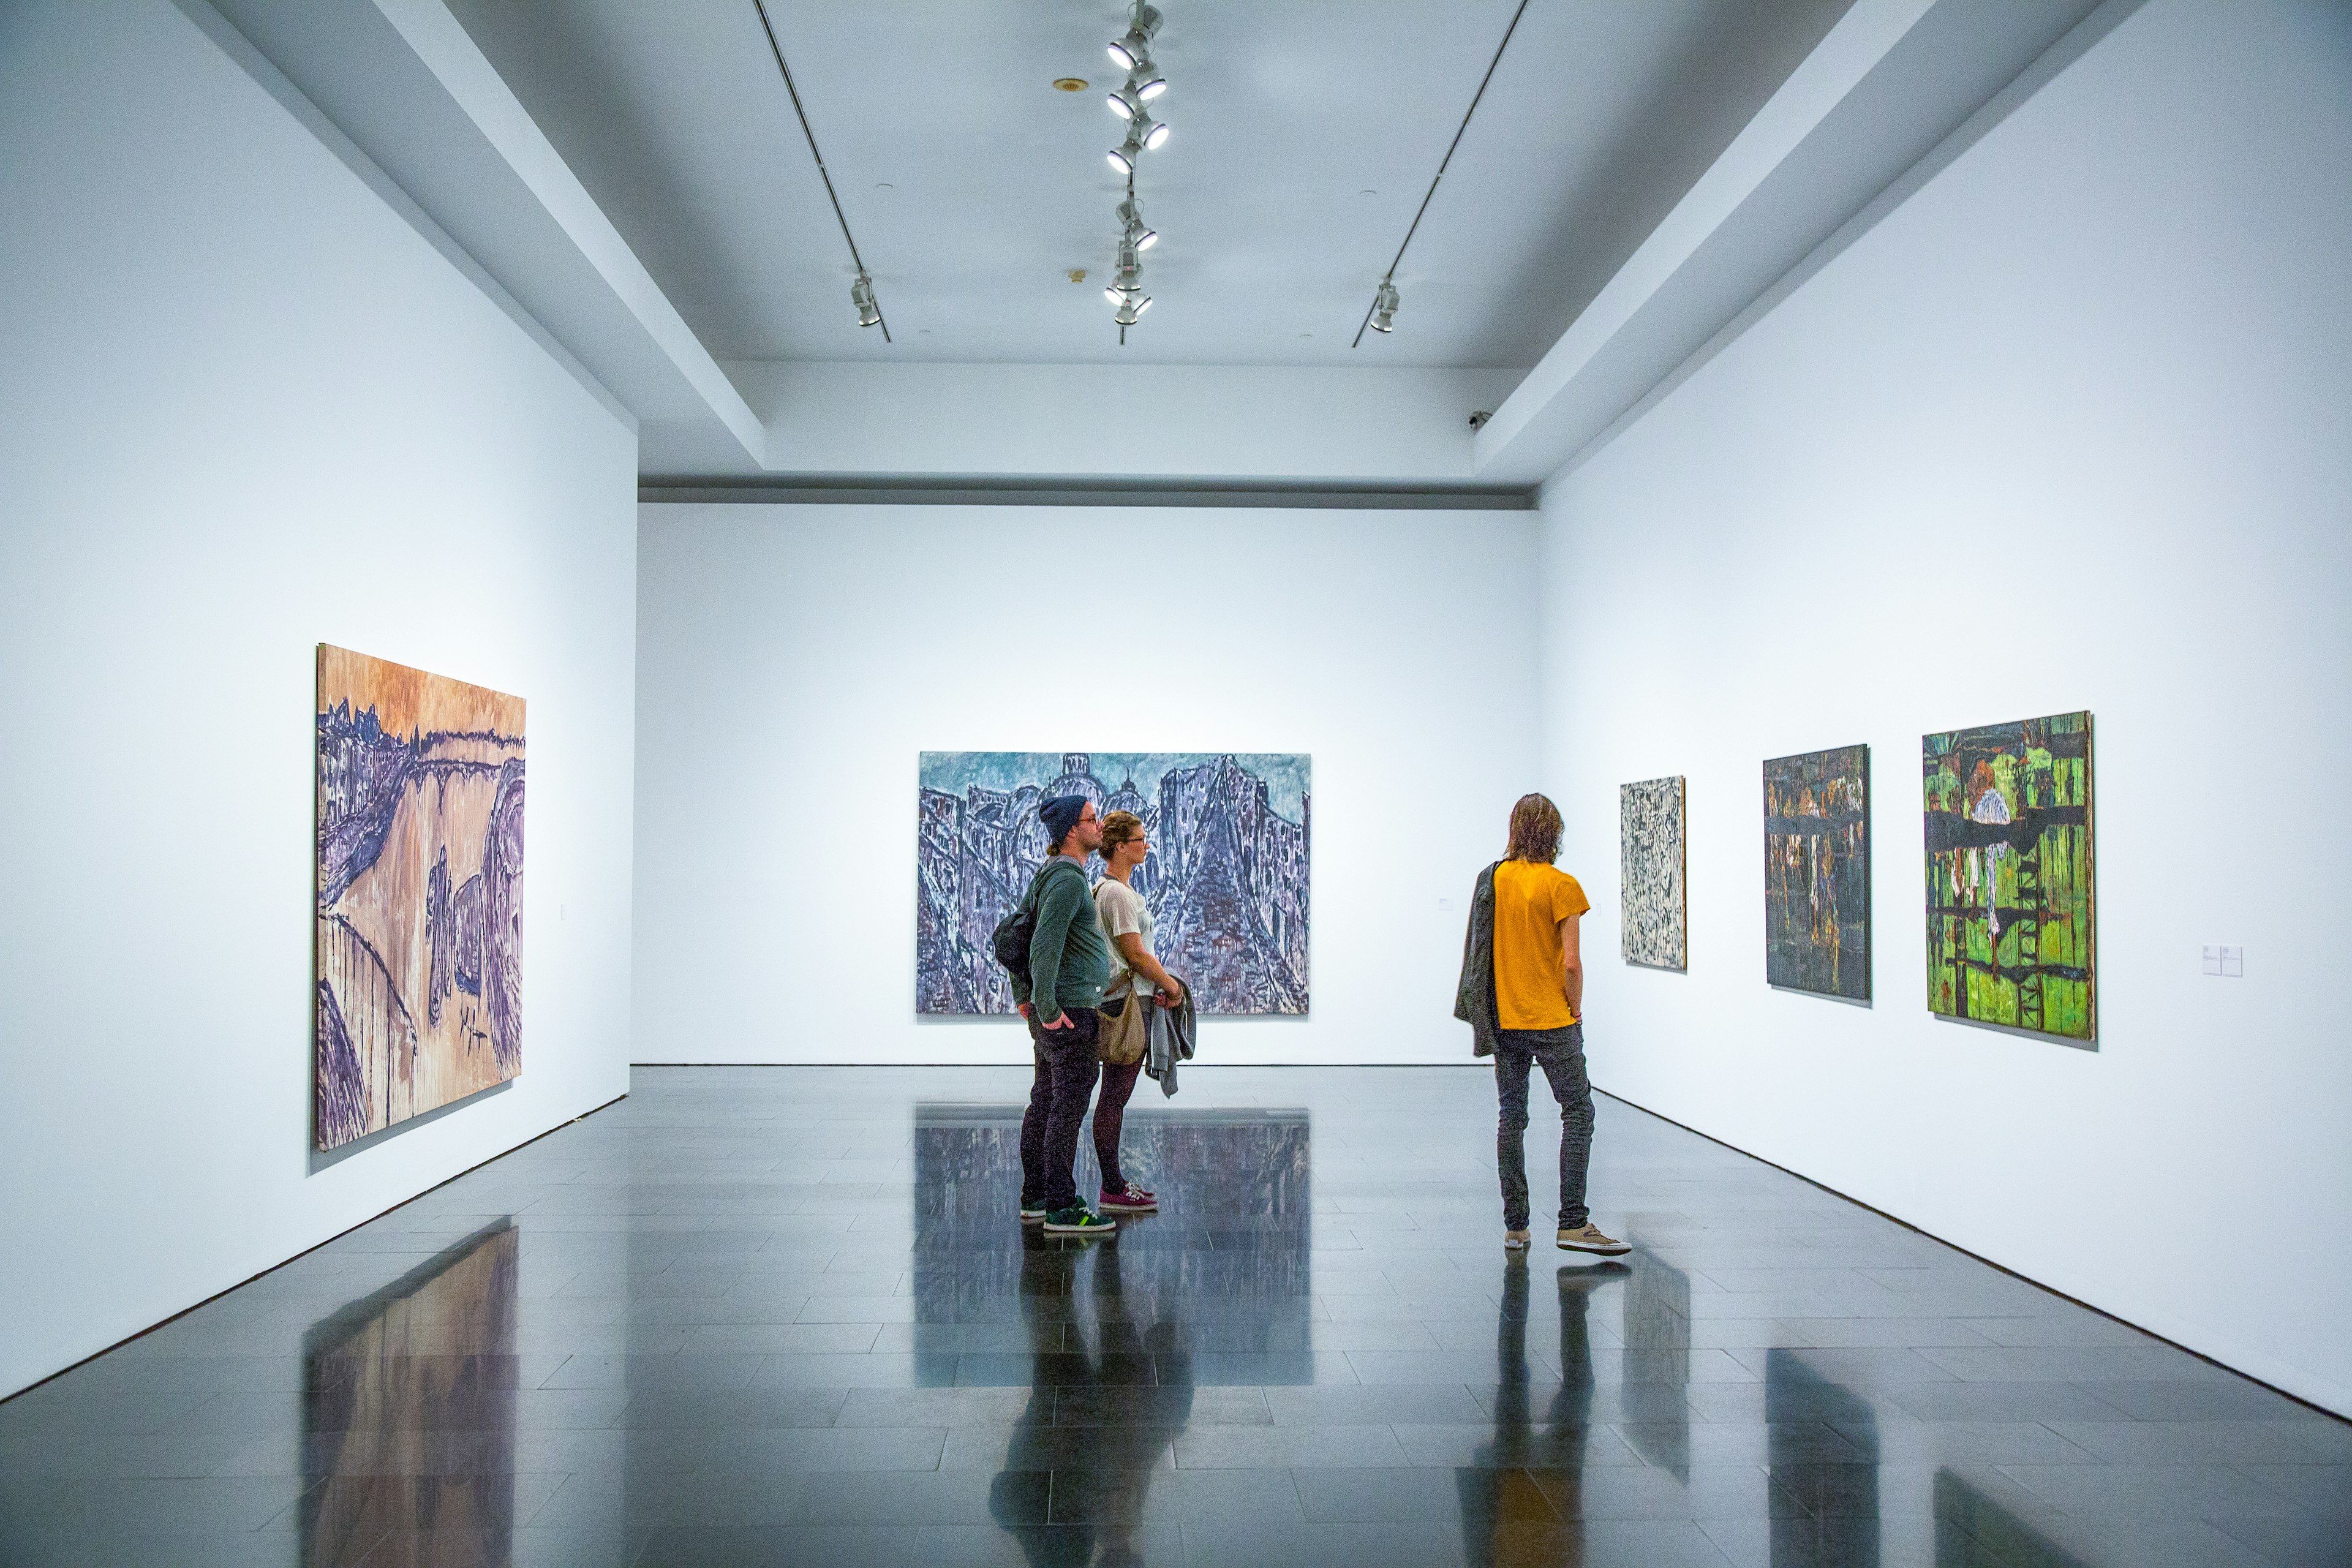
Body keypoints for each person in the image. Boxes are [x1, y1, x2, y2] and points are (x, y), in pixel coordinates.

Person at [1454, 793, 1630, 1256]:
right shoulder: (1562, 885)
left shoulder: (1494, 878)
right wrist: (1576, 1008)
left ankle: (1516, 1226)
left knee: (1512, 1117)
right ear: (1555, 832)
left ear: (1515, 829)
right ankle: (1573, 1223)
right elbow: (1571, 965)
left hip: (1507, 1021)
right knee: (1579, 1112)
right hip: (1553, 1019)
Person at [1014, 794, 1118, 1235]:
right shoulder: (1068, 881)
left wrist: (1029, 996)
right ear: (1071, 831)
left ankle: (1037, 1196)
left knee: (1046, 1102)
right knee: (1066, 1108)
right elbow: (1042, 945)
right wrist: (1049, 1008)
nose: (1100, 827)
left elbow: (1019, 931)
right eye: (1092, 820)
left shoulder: (1051, 876)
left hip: (1060, 1010)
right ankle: (1060, 1206)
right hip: (1069, 1013)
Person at [1090, 810, 1185, 1214]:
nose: (1147, 844)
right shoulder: (1117, 895)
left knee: (1114, 1095)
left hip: (1130, 998)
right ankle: (1112, 1187)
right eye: (1141, 839)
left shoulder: (1110, 891)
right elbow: (1136, 955)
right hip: (1129, 1004)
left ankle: (1114, 1183)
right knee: (1114, 1097)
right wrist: (1171, 985)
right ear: (1122, 846)